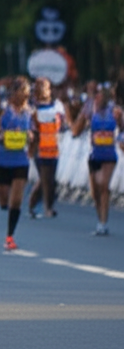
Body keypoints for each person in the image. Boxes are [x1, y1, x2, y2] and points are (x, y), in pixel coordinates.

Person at [71, 82, 122, 235]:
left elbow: (122, 128)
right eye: (96, 96)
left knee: (103, 185)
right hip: (94, 155)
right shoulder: (89, 110)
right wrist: (81, 117)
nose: (98, 98)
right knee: (95, 192)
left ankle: (103, 223)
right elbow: (76, 131)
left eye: (100, 95)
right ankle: (100, 221)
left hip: (109, 156)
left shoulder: (115, 111)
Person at [0, 76, 33, 250]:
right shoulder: (2, 110)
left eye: (27, 93)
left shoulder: (30, 112)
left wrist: (31, 137)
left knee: (16, 201)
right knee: (4, 202)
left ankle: (10, 236)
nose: (26, 96)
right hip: (2, 160)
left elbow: (34, 132)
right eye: (23, 92)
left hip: (20, 160)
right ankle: (7, 216)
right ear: (14, 93)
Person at [28, 77, 70, 219]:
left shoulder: (57, 106)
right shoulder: (33, 108)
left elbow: (63, 124)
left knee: (49, 179)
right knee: (46, 178)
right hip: (40, 148)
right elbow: (33, 130)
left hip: (53, 147)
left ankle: (33, 204)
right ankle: (48, 207)